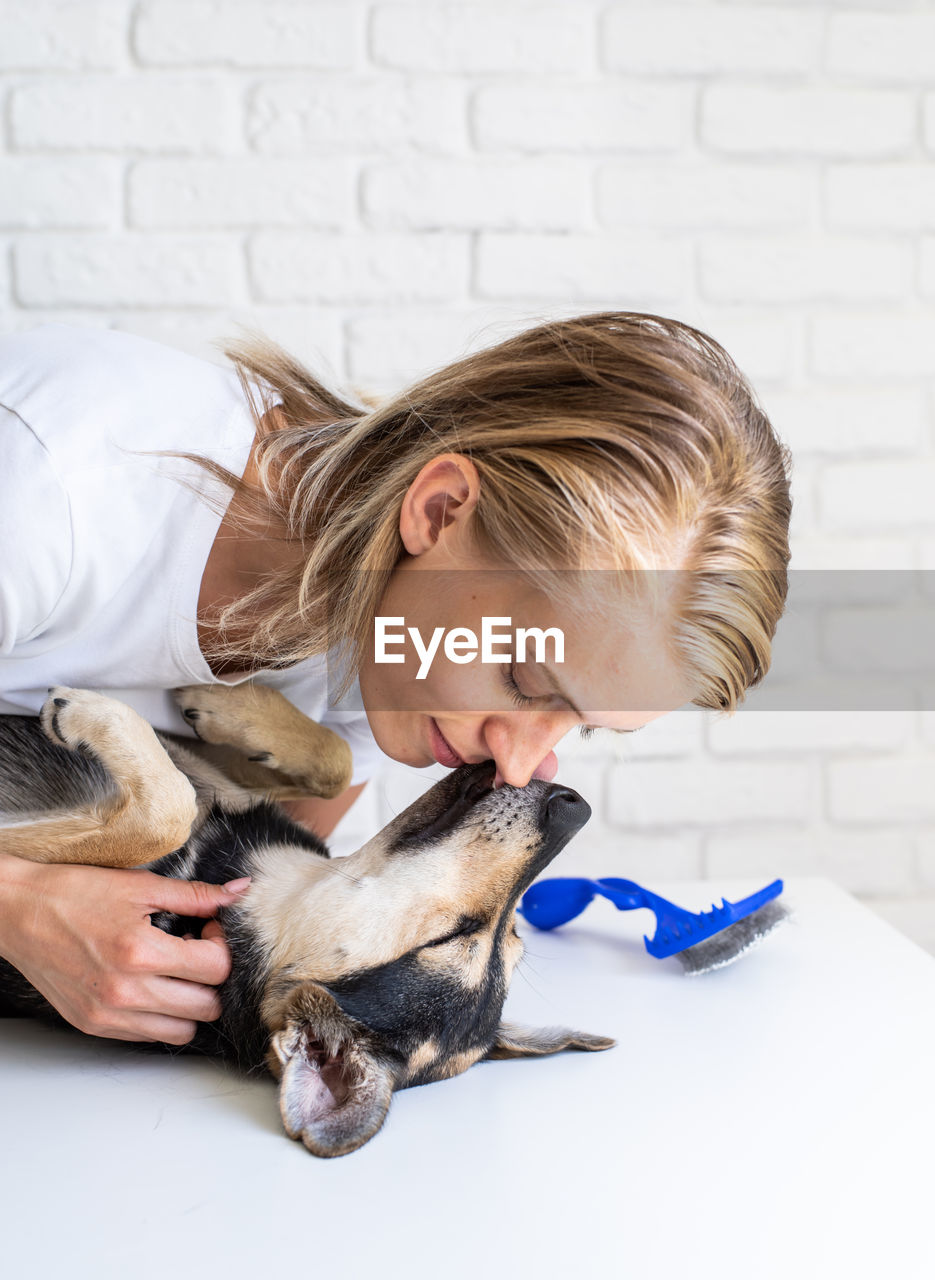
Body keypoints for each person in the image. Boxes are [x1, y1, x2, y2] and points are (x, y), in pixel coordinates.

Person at [0, 310, 793, 1047]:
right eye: (521, 679)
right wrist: (19, 908)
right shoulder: (54, 492)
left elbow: (259, 890)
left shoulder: (392, 652)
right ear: (440, 511)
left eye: (578, 723)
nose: (520, 768)